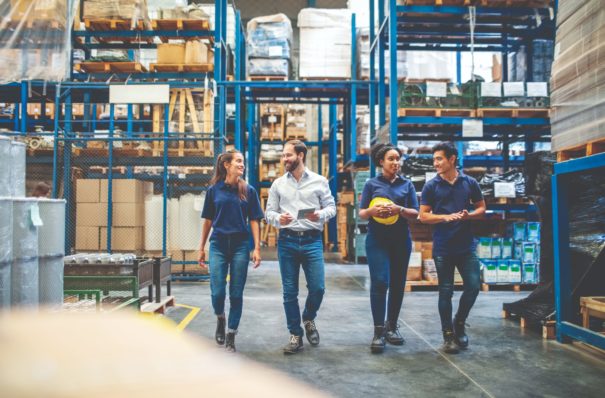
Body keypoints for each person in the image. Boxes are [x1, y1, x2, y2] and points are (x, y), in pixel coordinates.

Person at [265, 140, 336, 355]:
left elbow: (331, 207)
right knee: (289, 292)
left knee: (318, 288)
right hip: (286, 240)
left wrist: (320, 215)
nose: (284, 159)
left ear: (300, 156)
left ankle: (308, 317)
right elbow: (268, 213)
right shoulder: (278, 184)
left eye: (288, 155)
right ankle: (295, 334)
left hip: (312, 240)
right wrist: (279, 219)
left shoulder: (319, 181)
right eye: (283, 155)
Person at [419, 142, 486, 354]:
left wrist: (470, 215)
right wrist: (444, 217)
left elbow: (482, 208)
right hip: (443, 248)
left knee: (474, 286)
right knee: (445, 292)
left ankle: (459, 322)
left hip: (466, 246)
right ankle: (448, 335)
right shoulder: (432, 186)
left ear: (452, 159)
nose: (436, 163)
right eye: (434, 160)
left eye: (439, 159)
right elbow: (423, 215)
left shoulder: (470, 183)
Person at [198, 149, 264, 353]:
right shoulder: (213, 190)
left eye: (242, 161)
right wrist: (201, 247)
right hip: (218, 244)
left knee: (236, 293)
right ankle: (220, 317)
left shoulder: (248, 190)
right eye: (237, 161)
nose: (241, 164)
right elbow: (208, 220)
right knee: (217, 291)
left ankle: (231, 334)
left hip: (240, 246)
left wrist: (257, 248)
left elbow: (254, 220)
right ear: (226, 165)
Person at [358, 143, 419, 353]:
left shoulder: (407, 185)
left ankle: (392, 326)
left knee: (397, 283)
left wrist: (398, 208)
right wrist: (373, 210)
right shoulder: (371, 184)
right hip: (377, 239)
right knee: (380, 281)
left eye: (398, 159)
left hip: (401, 239)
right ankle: (378, 331)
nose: (395, 162)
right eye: (391, 159)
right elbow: (362, 213)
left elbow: (415, 213)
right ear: (381, 162)